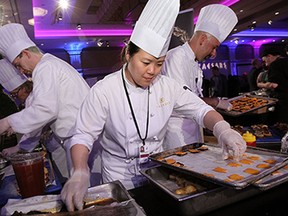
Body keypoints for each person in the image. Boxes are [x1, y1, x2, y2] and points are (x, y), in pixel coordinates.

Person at [60, 0, 246, 211]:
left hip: (158, 175)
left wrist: (223, 130)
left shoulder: (166, 86)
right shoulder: (104, 90)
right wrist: (80, 170)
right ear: (128, 55)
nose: (152, 71)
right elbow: (83, 135)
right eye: (146, 62)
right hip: (119, 178)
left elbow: (201, 110)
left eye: (159, 64)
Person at [0, 23, 90, 180]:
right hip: (77, 141)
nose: (21, 71)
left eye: (18, 65)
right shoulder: (49, 65)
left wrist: (7, 122)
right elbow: (39, 118)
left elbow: (45, 109)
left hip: (81, 142)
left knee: (87, 195)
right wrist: (21, 147)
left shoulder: (45, 67)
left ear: (25, 53)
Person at [161, 4, 236, 149]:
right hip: (177, 134)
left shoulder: (194, 61)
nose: (214, 54)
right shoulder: (176, 57)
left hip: (194, 128)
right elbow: (182, 100)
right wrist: (215, 102)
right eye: (214, 47)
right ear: (202, 39)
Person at [261, 47, 288, 123]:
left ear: (269, 56)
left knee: (282, 127)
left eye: (265, 60)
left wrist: (260, 85)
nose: (265, 63)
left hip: (284, 101)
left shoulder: (275, 65)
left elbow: (273, 85)